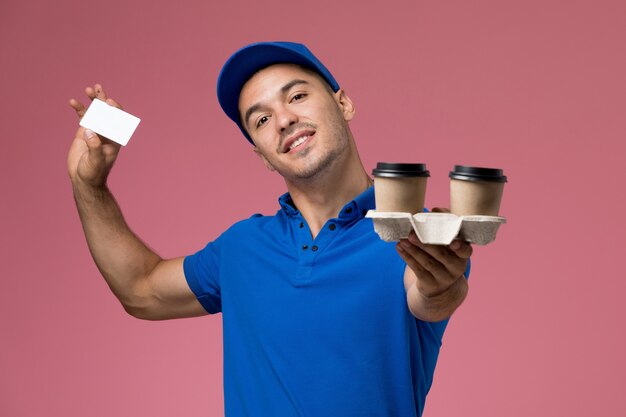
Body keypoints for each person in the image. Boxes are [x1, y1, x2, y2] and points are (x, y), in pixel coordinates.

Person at [68, 42, 472, 417]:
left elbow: (433, 296)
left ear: (343, 103)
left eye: (296, 96)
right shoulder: (242, 247)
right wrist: (89, 184)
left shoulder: (414, 233)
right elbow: (140, 290)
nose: (284, 119)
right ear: (260, 154)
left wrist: (443, 284)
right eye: (261, 119)